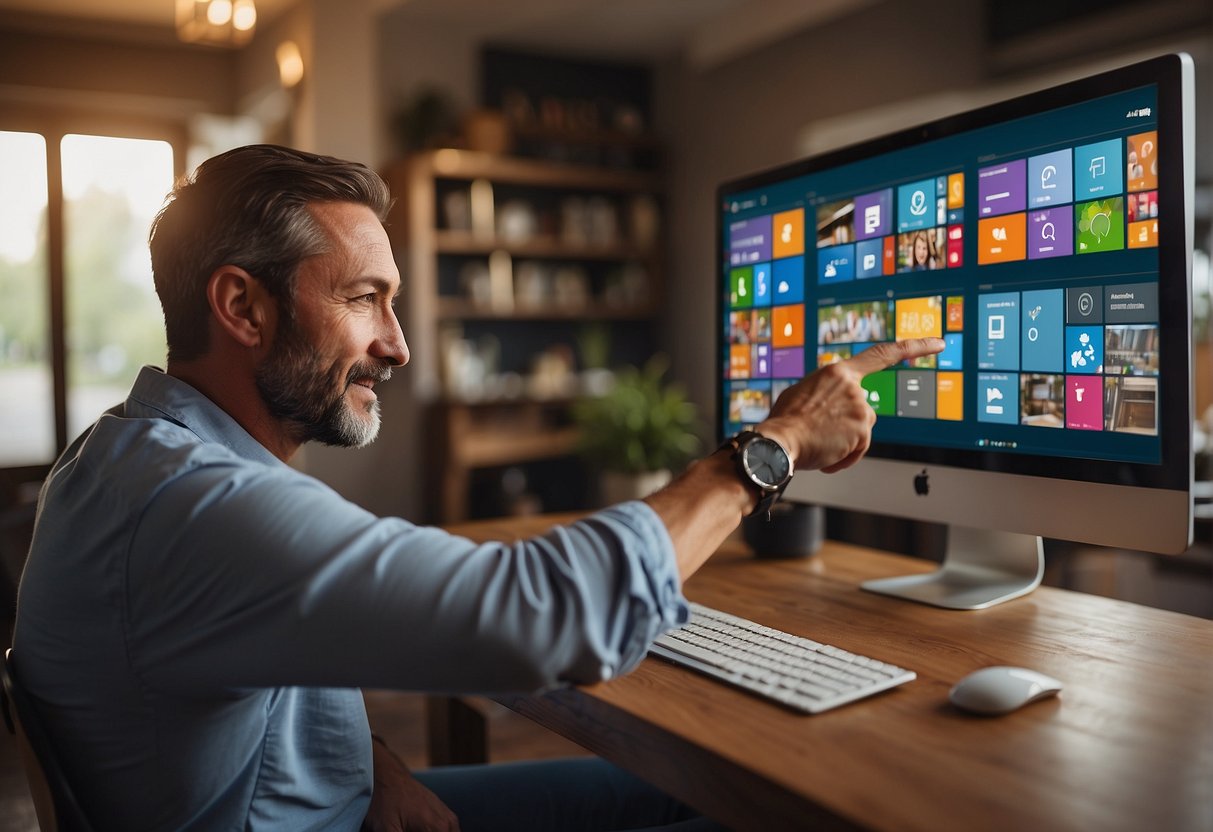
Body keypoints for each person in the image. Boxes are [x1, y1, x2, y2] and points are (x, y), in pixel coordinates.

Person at [13, 144, 943, 832]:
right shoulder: (194, 505)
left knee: (680, 793)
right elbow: (543, 618)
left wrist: (367, 767)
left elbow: (246, 662)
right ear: (241, 306)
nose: (399, 344)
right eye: (361, 298)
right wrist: (769, 448)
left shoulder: (122, 457)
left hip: (317, 811)